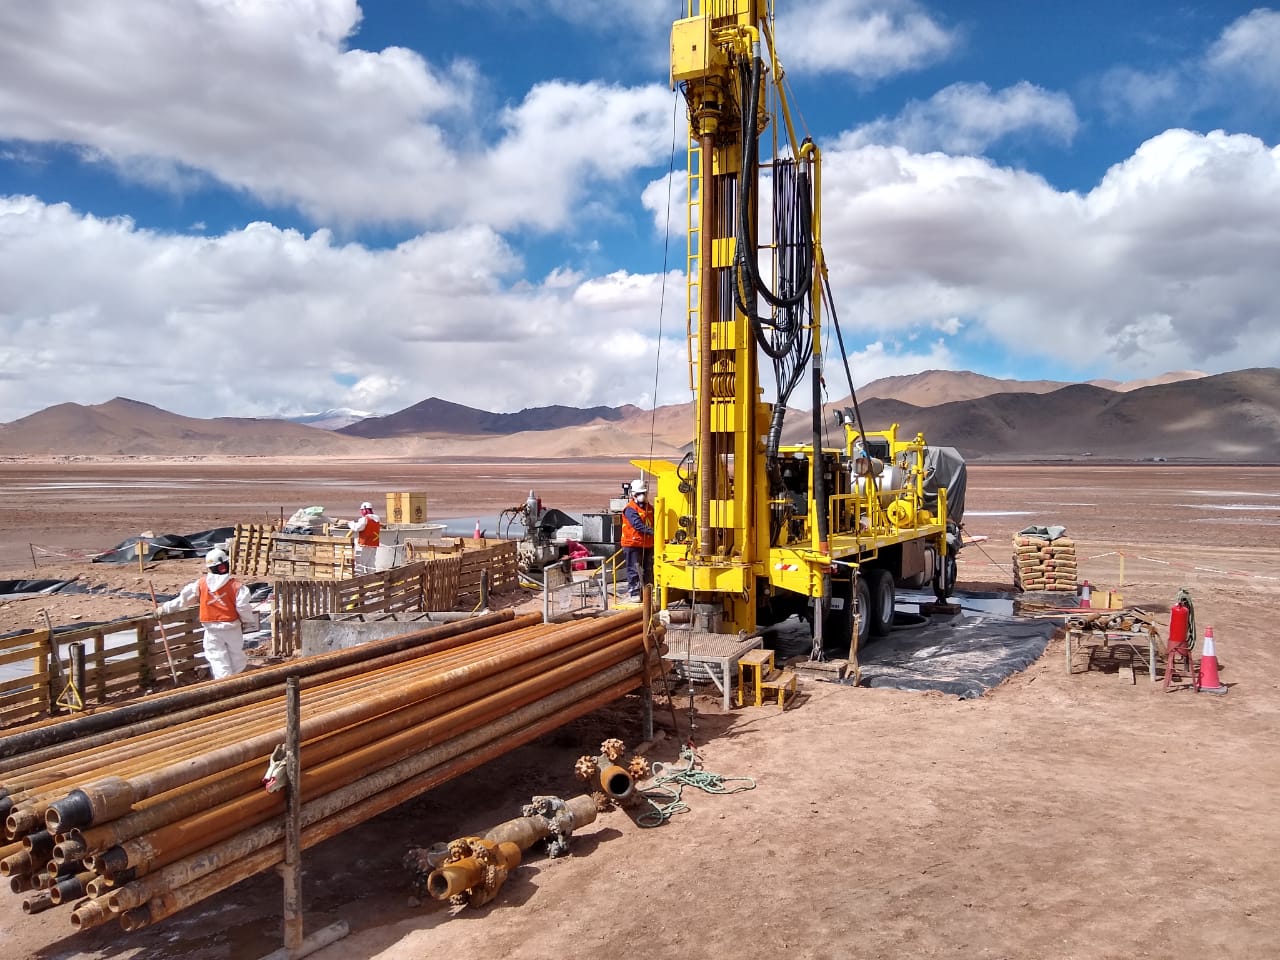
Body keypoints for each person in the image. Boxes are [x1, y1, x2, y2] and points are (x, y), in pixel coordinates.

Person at [158, 548, 256, 679]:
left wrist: (165, 608)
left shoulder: (200, 584)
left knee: (217, 659)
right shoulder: (237, 587)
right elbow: (243, 607)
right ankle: (234, 682)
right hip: (232, 628)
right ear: (227, 564)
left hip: (211, 630)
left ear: (209, 567)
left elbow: (183, 600)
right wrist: (247, 621)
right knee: (236, 657)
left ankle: (225, 684)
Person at [621, 477, 654, 600]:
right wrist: (653, 531)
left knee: (647, 569)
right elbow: (637, 525)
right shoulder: (630, 509)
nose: (642, 496)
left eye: (643, 493)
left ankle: (647, 592)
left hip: (647, 544)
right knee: (634, 569)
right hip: (632, 544)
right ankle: (634, 592)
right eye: (639, 494)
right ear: (633, 495)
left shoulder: (649, 507)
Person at [343, 501, 381, 570]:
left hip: (364, 544)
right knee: (370, 563)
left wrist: (350, 523)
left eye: (362, 510)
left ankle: (359, 578)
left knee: (359, 563)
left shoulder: (364, 519)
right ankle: (372, 578)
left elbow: (357, 528)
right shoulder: (377, 519)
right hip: (373, 544)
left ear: (365, 510)